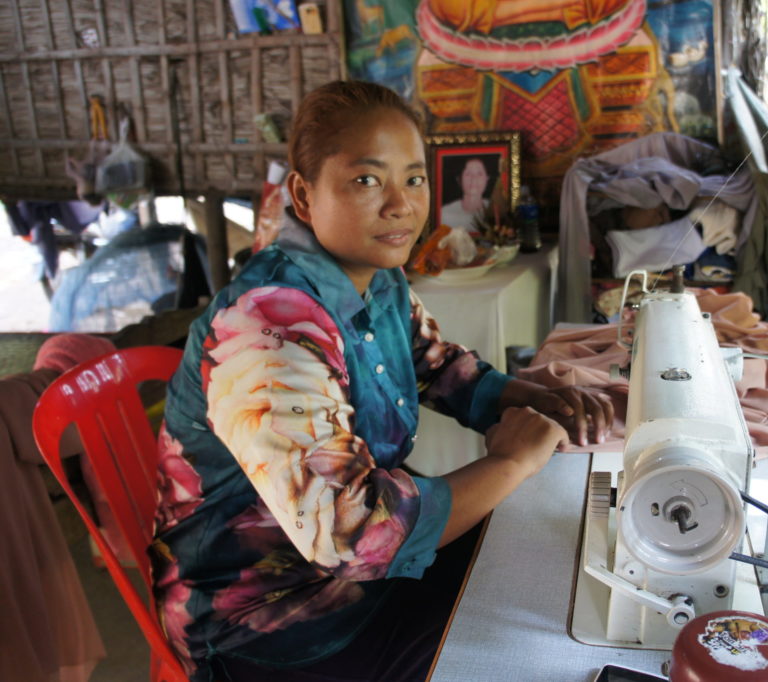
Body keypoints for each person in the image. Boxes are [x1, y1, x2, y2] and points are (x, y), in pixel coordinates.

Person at [150, 79, 613, 681]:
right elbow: (353, 534)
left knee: (551, 566)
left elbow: (438, 365)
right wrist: (511, 463)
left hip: (355, 580)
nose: (400, 204)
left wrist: (535, 399)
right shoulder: (268, 329)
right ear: (303, 193)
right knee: (532, 646)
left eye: (414, 178)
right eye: (366, 180)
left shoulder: (377, 275)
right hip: (268, 623)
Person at [439, 156, 491, 230]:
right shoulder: (444, 214)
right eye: (468, 174)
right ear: (459, 179)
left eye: (479, 174)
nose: (474, 179)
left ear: (487, 178)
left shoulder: (496, 210)